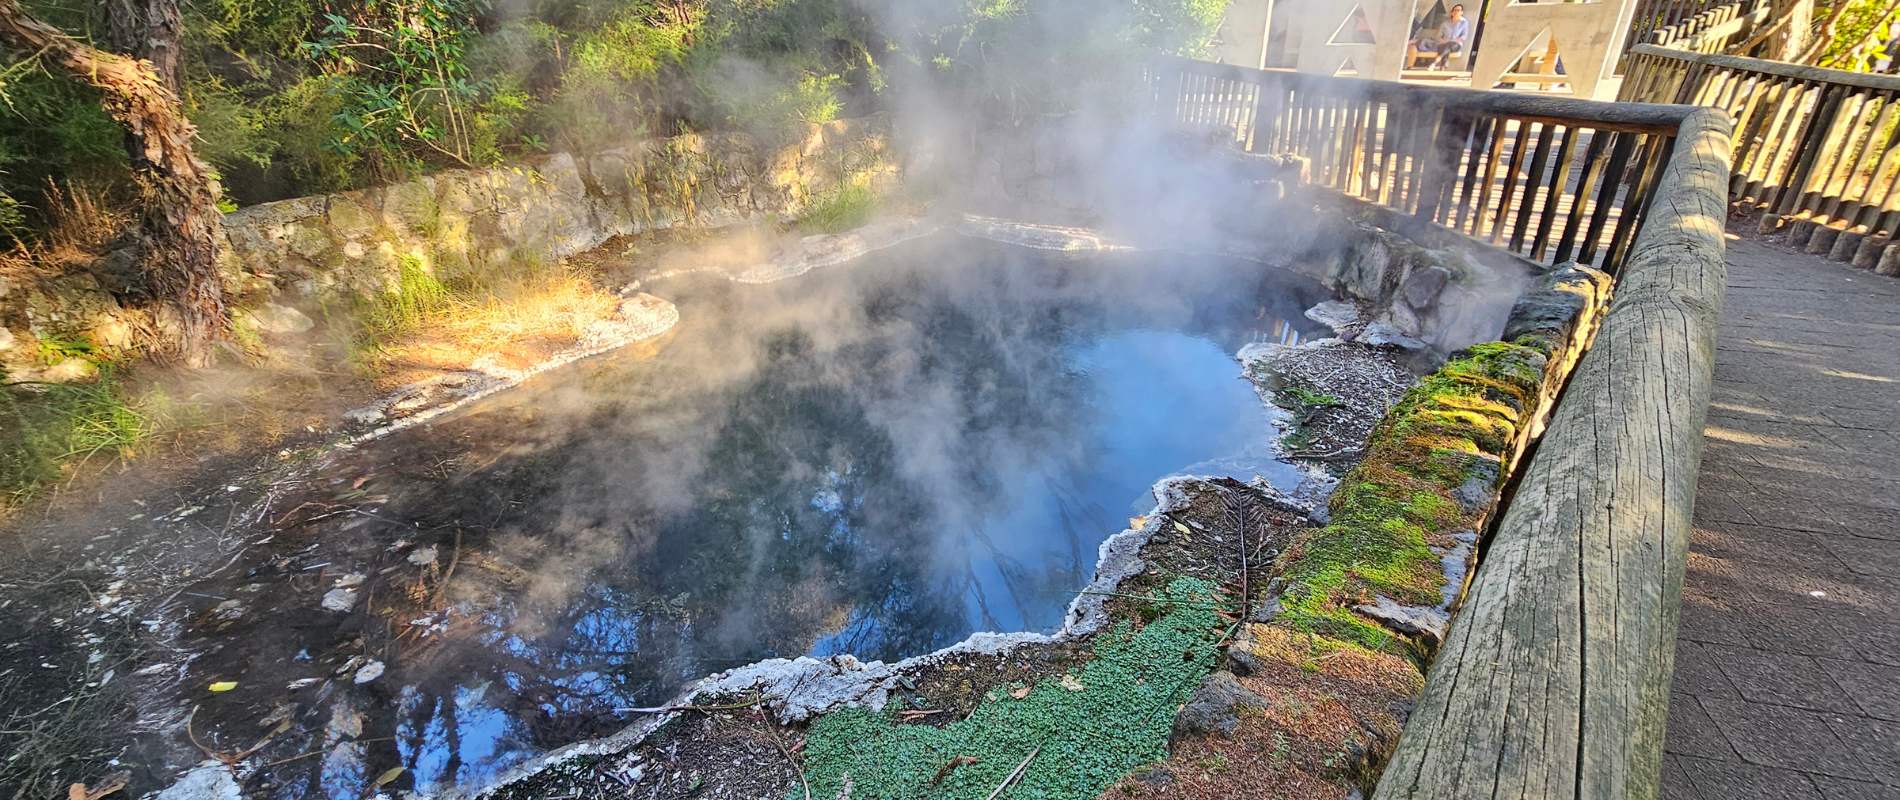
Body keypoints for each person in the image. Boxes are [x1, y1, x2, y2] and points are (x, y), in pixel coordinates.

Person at [1413, 4, 1471, 70]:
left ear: (1461, 12)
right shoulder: (1445, 24)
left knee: (1449, 44)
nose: (1456, 12)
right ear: (1452, 12)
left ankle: (1435, 63)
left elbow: (1464, 36)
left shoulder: (1464, 23)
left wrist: (1452, 40)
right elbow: (1438, 36)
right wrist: (1442, 40)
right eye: (1455, 10)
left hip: (1456, 44)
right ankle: (1442, 66)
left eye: (1459, 10)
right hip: (1444, 44)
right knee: (1446, 47)